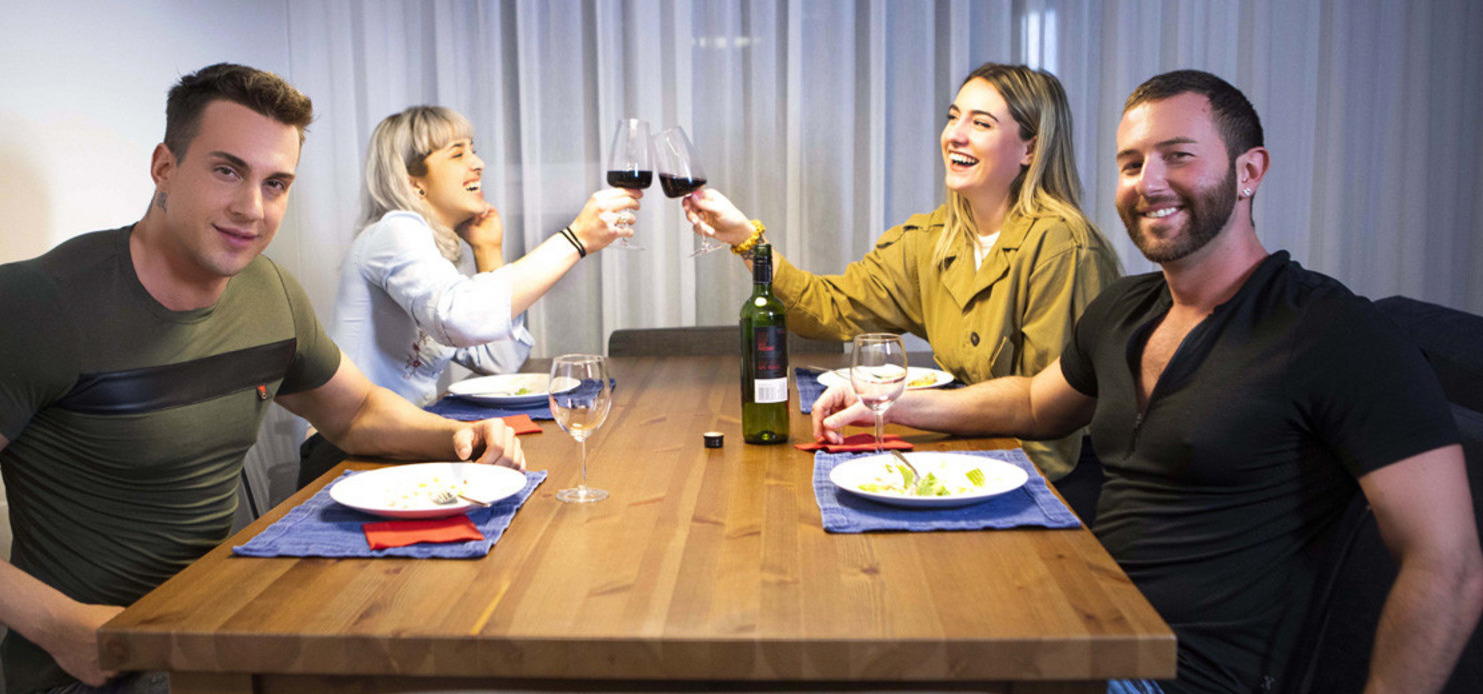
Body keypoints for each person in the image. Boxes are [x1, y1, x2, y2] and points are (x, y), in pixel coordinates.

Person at [813, 70, 1483, 693]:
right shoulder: (1125, 310)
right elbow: (1036, 401)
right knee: (861, 618)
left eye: (1178, 156)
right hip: (1081, 625)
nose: (1148, 182)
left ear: (1250, 172)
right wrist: (890, 402)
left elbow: (1448, 564)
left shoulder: (1333, 333)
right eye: (1131, 164)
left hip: (1170, 675)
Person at [0, 64, 525, 694]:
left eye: (276, 183)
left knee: (446, 637)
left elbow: (354, 413)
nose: (252, 208)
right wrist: (57, 624)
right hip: (102, 665)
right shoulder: (37, 303)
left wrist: (455, 440)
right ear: (164, 167)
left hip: (224, 625)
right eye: (227, 171)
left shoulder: (270, 291)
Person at [682, 62, 1120, 490]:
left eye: (981, 123)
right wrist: (746, 238)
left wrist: (895, 405)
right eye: (953, 117)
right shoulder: (931, 239)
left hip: (1050, 480)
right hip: (971, 453)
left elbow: (1047, 410)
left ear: (1030, 150)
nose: (954, 135)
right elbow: (829, 308)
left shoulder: (1062, 247)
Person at [296, 106, 639, 487]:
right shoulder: (394, 230)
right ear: (412, 181)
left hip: (399, 445)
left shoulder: (430, 256)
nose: (478, 163)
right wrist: (575, 240)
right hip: (342, 455)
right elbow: (459, 318)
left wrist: (488, 251)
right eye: (457, 154)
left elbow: (502, 362)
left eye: (473, 150)